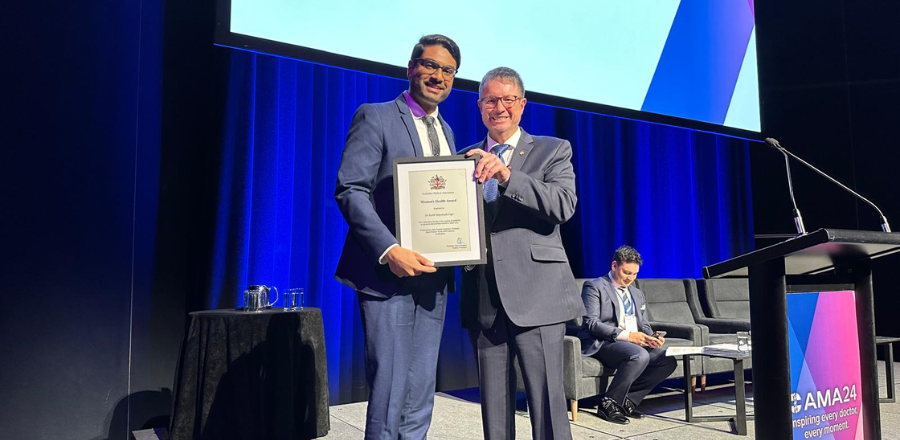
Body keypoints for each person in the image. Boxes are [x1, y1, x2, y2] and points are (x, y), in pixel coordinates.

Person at [333, 34, 461, 440]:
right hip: (387, 274)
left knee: (422, 387)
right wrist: (390, 250)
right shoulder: (376, 115)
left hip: (434, 275)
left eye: (447, 70)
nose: (437, 76)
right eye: (430, 65)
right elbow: (351, 189)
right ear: (411, 68)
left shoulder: (449, 133)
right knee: (389, 386)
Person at [460, 67, 586, 440]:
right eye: (490, 100)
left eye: (507, 99)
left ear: (522, 104)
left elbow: (563, 205)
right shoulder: (462, 159)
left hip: (538, 298)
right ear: (479, 105)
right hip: (484, 299)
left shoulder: (553, 149)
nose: (498, 107)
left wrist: (507, 175)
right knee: (494, 417)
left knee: (548, 410)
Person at [577, 245, 677, 425]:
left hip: (632, 341)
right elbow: (591, 323)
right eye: (626, 272)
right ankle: (609, 404)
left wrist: (651, 337)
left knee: (667, 359)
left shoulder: (637, 293)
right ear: (614, 266)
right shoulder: (594, 286)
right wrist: (628, 336)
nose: (630, 278)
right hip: (603, 342)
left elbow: (643, 324)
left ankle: (628, 400)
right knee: (638, 354)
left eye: (635, 274)